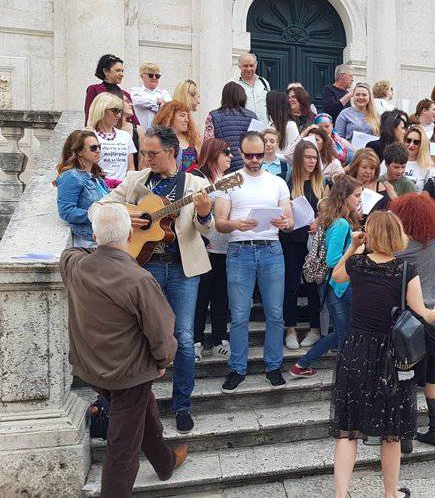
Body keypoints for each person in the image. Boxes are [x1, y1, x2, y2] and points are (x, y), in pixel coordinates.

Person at [89, 125, 213, 434]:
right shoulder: (135, 181)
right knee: (141, 336)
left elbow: (207, 230)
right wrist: (122, 216)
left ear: (171, 153)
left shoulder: (196, 183)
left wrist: (205, 213)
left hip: (183, 269)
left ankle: (182, 404)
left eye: (152, 153)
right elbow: (99, 206)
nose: (145, 158)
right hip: (143, 268)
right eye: (143, 152)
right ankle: (142, 404)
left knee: (183, 338)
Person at [60, 204, 186, 498]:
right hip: (129, 374)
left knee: (144, 409)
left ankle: (164, 461)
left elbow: (71, 252)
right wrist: (162, 360)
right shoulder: (139, 279)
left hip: (91, 367)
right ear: (131, 234)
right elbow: (162, 331)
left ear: (93, 235)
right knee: (122, 447)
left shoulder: (75, 264)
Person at [329, 211, 435, 498]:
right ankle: (390, 494)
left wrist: (353, 246)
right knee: (391, 431)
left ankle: (340, 495)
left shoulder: (357, 264)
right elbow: (420, 315)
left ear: (370, 234)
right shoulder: (405, 270)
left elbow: (336, 275)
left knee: (348, 429)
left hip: (356, 350)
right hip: (391, 358)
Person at [214, 133, 293, 390]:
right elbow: (220, 223)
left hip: (271, 248)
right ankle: (237, 367)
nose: (255, 160)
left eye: (260, 155)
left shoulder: (278, 182)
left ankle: (274, 365)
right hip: (240, 250)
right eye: (249, 155)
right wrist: (238, 223)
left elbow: (290, 221)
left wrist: (285, 223)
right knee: (238, 314)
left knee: (275, 313)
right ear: (240, 153)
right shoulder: (229, 181)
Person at [391, 192, 435, 451]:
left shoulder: (401, 246)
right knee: (431, 376)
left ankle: (405, 436)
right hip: (434, 314)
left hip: (407, 319)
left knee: (404, 376)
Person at [289, 175, 361, 377]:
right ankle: (305, 365)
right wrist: (356, 249)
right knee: (344, 333)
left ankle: (302, 365)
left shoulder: (335, 221)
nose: (359, 200)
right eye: (356, 196)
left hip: (336, 287)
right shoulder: (341, 225)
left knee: (343, 333)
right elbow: (332, 259)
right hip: (339, 287)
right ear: (345, 197)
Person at [281, 139, 328, 351]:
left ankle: (315, 329)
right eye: (307, 157)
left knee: (312, 283)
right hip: (291, 239)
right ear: (298, 159)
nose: (311, 161)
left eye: (314, 157)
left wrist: (320, 219)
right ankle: (290, 329)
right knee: (291, 283)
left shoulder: (323, 182)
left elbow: (328, 209)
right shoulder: (287, 182)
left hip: (314, 241)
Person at [191, 138, 232, 362]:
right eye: (226, 152)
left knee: (221, 296)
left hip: (224, 247)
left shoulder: (229, 180)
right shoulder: (197, 177)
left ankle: (219, 338)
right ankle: (195, 341)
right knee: (200, 297)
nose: (230, 156)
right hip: (202, 247)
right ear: (214, 153)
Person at [55, 130, 110, 247]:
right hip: (88, 241)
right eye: (93, 148)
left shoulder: (95, 176)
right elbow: (66, 211)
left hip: (103, 237)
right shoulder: (70, 176)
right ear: (79, 151)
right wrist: (99, 214)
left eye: (99, 147)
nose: (98, 150)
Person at [203, 82, 258, 172]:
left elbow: (207, 143)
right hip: (247, 166)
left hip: (223, 167)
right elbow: (256, 144)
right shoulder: (252, 116)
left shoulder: (213, 116)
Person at [86, 92, 137, 184]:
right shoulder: (88, 136)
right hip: (97, 187)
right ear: (102, 110)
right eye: (115, 111)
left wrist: (128, 186)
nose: (118, 115)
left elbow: (131, 168)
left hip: (121, 190)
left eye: (120, 111)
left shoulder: (125, 136)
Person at [85, 54, 140, 126]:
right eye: (118, 70)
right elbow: (89, 116)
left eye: (122, 71)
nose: (121, 74)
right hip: (102, 133)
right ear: (106, 71)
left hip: (124, 134)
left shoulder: (126, 95)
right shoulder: (94, 89)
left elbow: (134, 120)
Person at [153, 101, 202, 172]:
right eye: (182, 115)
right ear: (170, 117)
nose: (187, 120)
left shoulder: (193, 140)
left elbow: (202, 166)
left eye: (187, 116)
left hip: (190, 181)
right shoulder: (157, 140)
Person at [347, 148, 392, 216]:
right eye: (364, 167)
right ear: (356, 167)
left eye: (372, 168)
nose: (368, 171)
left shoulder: (381, 187)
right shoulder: (347, 185)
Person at [129, 62, 171, 130]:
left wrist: (150, 103)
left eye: (157, 76)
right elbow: (136, 101)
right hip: (140, 133)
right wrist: (157, 103)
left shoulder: (164, 93)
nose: (154, 78)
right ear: (142, 76)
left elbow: (169, 106)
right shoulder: (135, 91)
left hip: (158, 135)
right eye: (151, 75)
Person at [233, 52, 270, 122]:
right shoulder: (233, 83)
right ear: (239, 66)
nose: (249, 69)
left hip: (264, 128)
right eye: (245, 66)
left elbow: (270, 105)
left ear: (256, 65)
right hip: (243, 127)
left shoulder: (264, 82)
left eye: (251, 65)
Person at [403, 125, 435, 191]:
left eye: (416, 142)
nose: (411, 145)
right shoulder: (393, 160)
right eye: (408, 140)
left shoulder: (428, 168)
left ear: (422, 145)